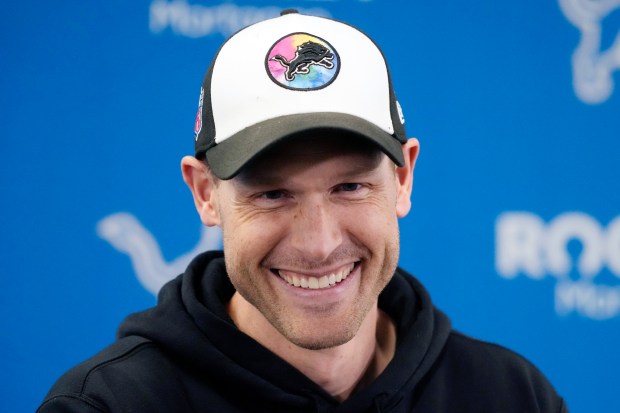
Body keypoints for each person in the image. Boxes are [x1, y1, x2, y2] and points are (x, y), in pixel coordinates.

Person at [38, 10, 568, 413]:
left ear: (403, 179)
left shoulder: (511, 395)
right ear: (205, 193)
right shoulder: (108, 405)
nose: (318, 245)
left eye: (351, 186)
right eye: (272, 194)